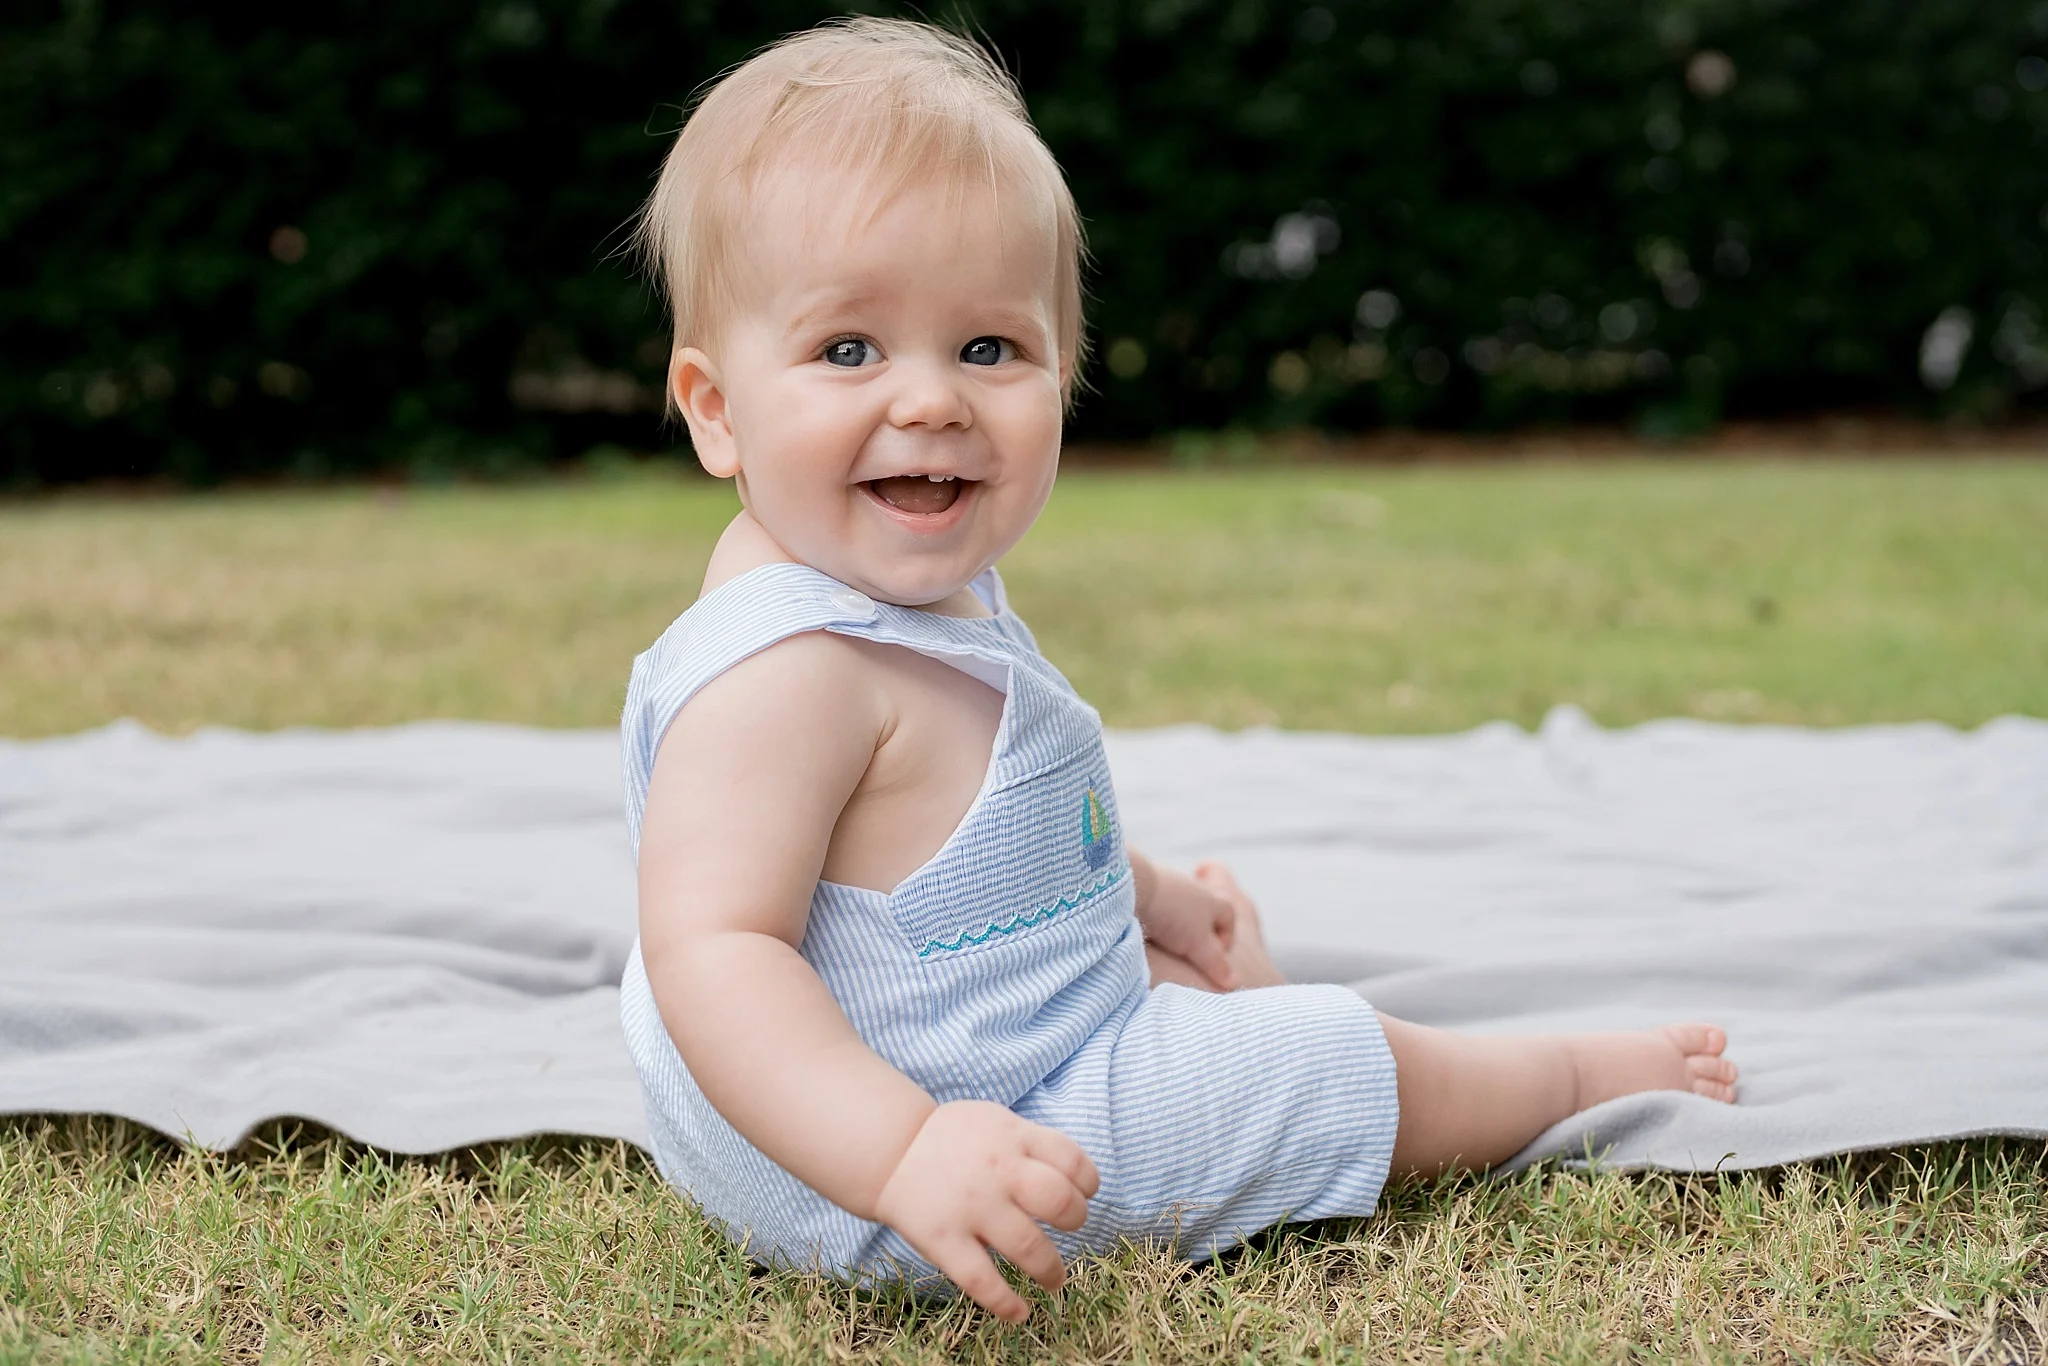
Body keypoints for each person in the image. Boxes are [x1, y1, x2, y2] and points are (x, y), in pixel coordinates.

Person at [617, 17, 1737, 1323]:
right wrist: (904, 1151)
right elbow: (713, 948)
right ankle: (1560, 1077)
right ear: (713, 405)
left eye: (988, 348)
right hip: (931, 1163)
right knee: (1318, 1055)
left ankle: (1159, 976)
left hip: (921, 1054)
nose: (930, 401)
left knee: (1188, 992)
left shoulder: (897, 582)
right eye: (849, 349)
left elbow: (947, 844)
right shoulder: (790, 673)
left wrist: (1141, 893)